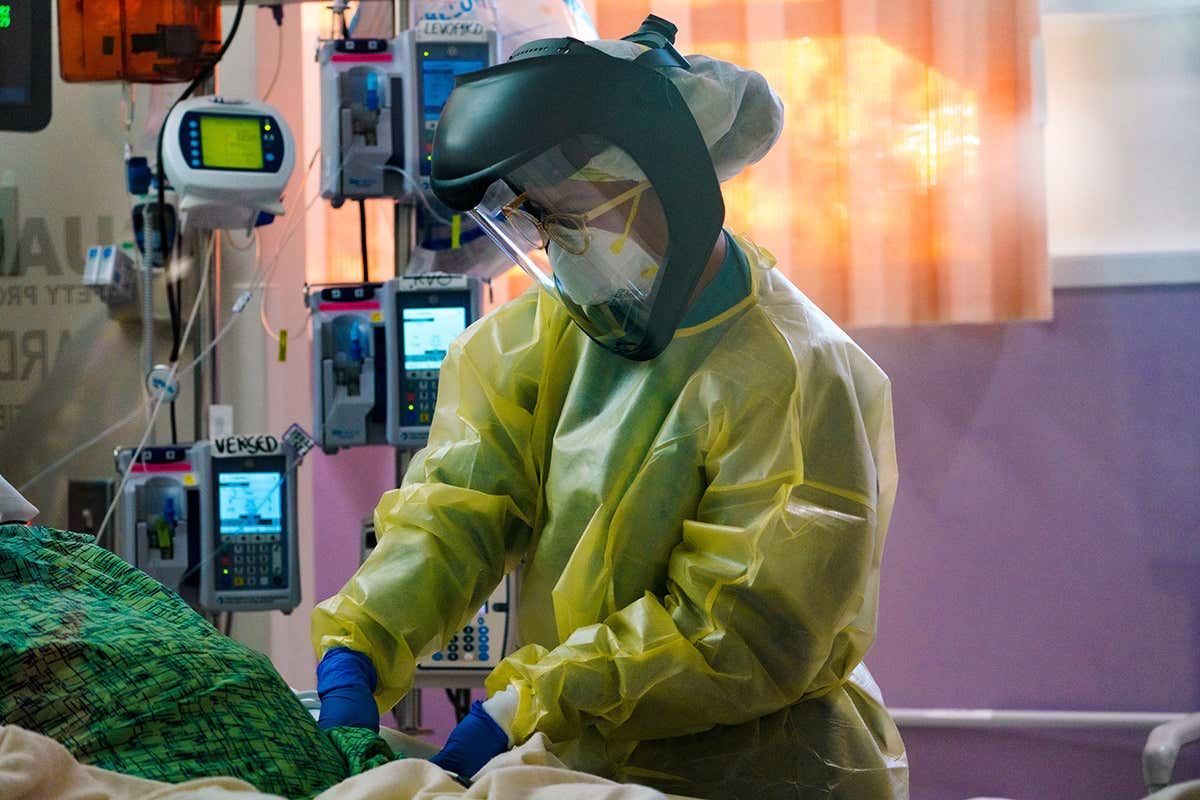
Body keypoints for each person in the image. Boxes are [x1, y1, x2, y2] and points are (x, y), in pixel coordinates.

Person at [312, 15, 908, 799]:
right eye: (538, 219)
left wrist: (528, 699)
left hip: (765, 773)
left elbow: (743, 631)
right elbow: (456, 506)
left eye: (578, 216)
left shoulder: (799, 375)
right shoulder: (537, 340)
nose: (561, 246)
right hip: (577, 770)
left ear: (674, 185)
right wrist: (359, 643)